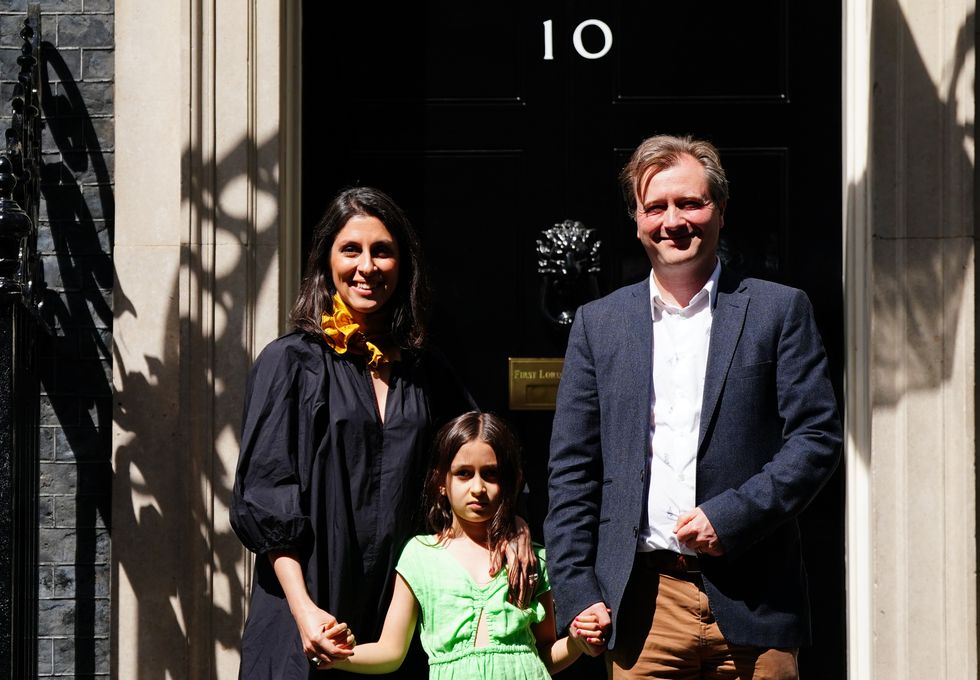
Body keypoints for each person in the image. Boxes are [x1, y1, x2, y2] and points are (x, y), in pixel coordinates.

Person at [544, 135, 843, 679]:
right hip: (643, 609)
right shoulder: (598, 324)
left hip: (758, 604)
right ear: (636, 220)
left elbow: (816, 440)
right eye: (655, 206)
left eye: (690, 203)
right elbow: (573, 471)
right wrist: (577, 589)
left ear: (721, 212)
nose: (672, 220)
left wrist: (730, 517)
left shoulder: (778, 311)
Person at [230, 187, 534, 679]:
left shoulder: (425, 369)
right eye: (351, 249)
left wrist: (513, 524)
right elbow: (266, 495)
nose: (366, 266)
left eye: (382, 251)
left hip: (400, 613)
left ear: (402, 264)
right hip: (306, 609)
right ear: (326, 260)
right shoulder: (289, 363)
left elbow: (481, 457)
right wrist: (303, 611)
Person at [332, 411, 600, 678]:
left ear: (509, 481)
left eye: (490, 474)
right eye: (463, 473)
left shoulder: (530, 558)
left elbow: (545, 654)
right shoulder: (420, 556)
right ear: (441, 482)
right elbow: (390, 651)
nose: (478, 488)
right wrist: (337, 655)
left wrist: (576, 642)